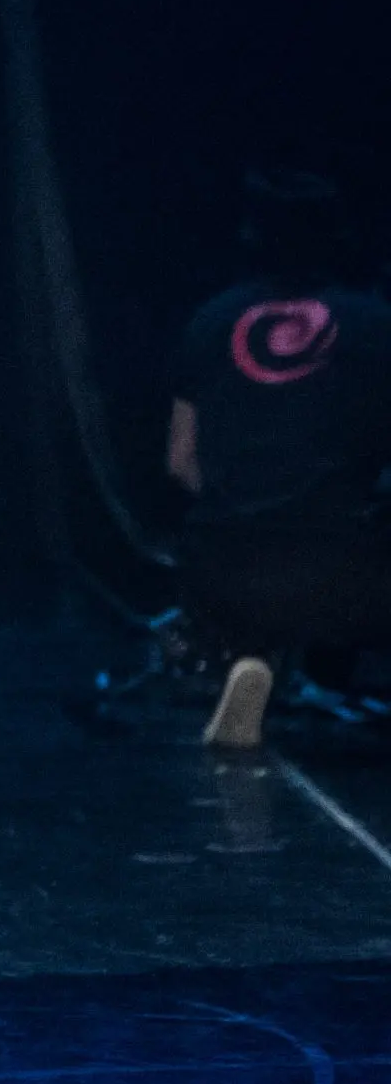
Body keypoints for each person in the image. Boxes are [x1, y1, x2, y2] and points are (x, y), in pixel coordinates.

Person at [168, 167, 391, 748]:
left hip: (224, 574)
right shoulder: (376, 325)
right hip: (349, 578)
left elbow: (180, 462)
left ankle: (250, 654)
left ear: (250, 237)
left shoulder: (211, 321)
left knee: (251, 570)